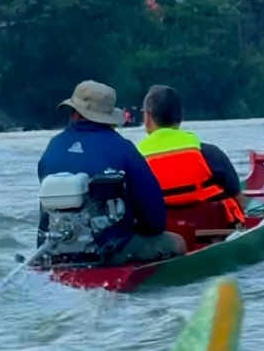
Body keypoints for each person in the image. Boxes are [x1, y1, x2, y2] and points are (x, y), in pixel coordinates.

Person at [37, 80, 185, 263]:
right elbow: (155, 220)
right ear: (107, 117)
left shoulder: (52, 147)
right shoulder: (124, 149)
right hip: (110, 253)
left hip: (54, 252)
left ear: (74, 113)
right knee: (178, 243)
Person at [137, 85, 245, 223]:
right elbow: (238, 198)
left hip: (162, 234)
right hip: (211, 231)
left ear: (147, 117)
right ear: (181, 117)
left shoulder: (136, 159)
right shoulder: (210, 153)